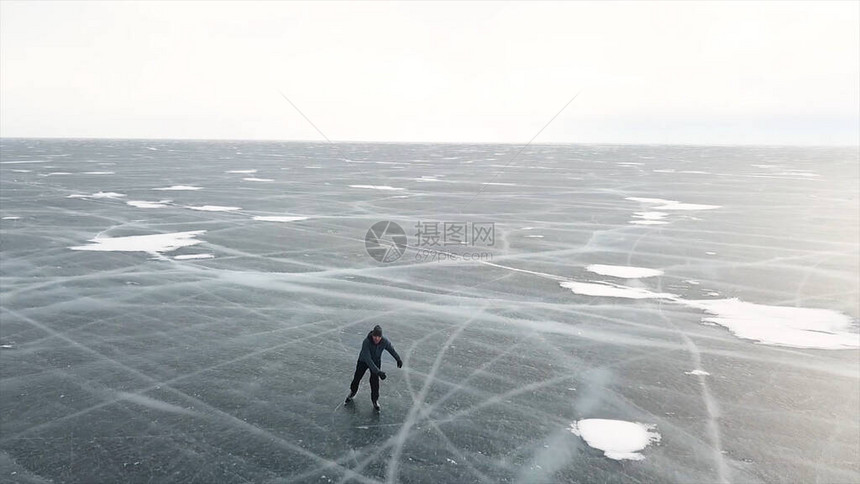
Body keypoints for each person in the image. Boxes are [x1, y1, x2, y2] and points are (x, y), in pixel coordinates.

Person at [345, 325, 402, 411]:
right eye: (375, 336)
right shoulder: (366, 342)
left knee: (374, 382)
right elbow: (368, 359)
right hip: (363, 361)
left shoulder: (384, 341)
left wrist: (398, 359)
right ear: (372, 335)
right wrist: (378, 372)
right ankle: (353, 391)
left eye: (379, 336)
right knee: (357, 378)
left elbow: (391, 349)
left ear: (381, 336)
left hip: (376, 361)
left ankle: (375, 400)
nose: (376, 338)